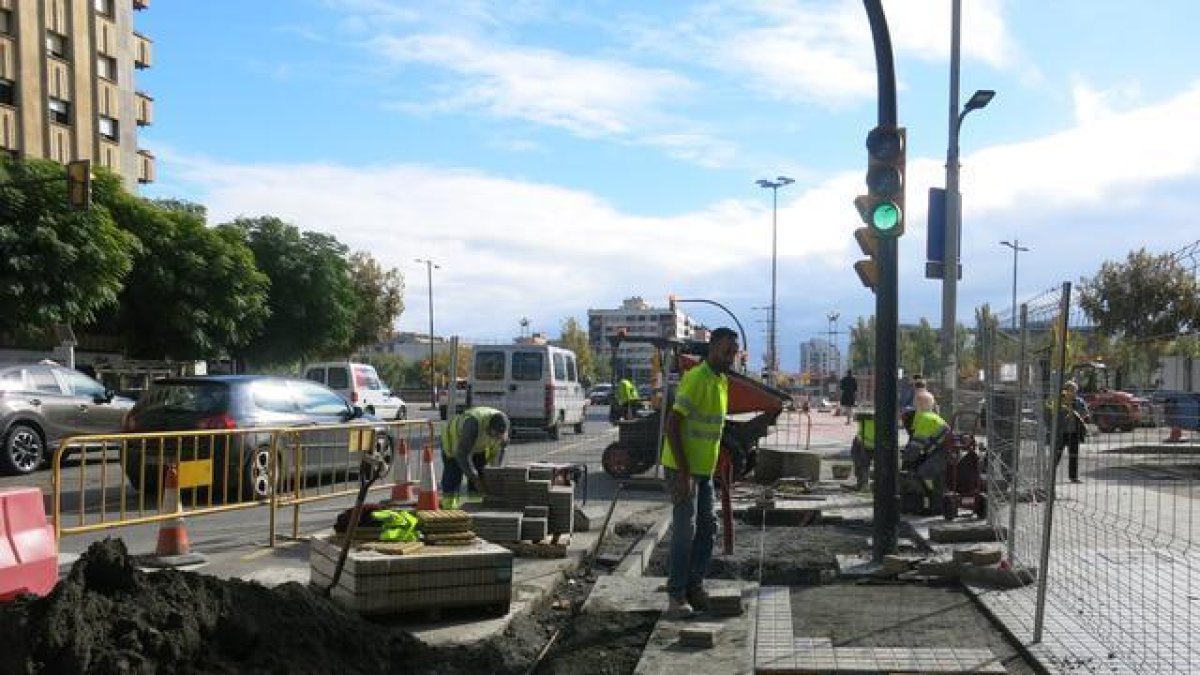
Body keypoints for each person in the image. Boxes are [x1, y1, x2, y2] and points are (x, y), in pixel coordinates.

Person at [661, 326, 739, 619]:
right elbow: (672, 425)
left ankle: (694, 586)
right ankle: (676, 595)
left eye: (733, 353)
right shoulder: (697, 379)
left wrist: (712, 469)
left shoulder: (722, 381)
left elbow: (712, 432)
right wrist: (683, 473)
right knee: (685, 531)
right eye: (726, 351)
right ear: (712, 348)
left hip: (703, 472)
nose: (730, 358)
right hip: (682, 469)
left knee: (709, 528)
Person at [439, 406, 510, 509]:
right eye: (494, 435)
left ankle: (476, 506)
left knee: (482, 473)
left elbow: (498, 453)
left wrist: (493, 474)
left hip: (478, 445)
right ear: (488, 428)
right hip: (454, 442)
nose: (496, 438)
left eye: (499, 437)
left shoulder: (504, 427)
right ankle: (449, 508)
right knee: (453, 474)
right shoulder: (473, 425)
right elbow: (462, 455)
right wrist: (474, 478)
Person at [901, 402, 951, 515]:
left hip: (942, 451)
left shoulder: (922, 422)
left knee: (921, 473)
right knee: (938, 479)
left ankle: (931, 503)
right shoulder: (924, 417)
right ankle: (938, 506)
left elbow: (915, 447)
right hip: (944, 449)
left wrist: (906, 462)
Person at [1051, 381, 1090, 484]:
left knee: (1073, 455)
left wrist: (1078, 414)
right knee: (1057, 454)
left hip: (1074, 432)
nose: (1073, 392)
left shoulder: (1079, 402)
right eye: (1071, 390)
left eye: (1075, 390)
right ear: (1066, 390)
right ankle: (1050, 475)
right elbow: (1052, 414)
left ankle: (1073, 477)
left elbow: (1085, 414)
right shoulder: (1059, 401)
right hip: (1061, 432)